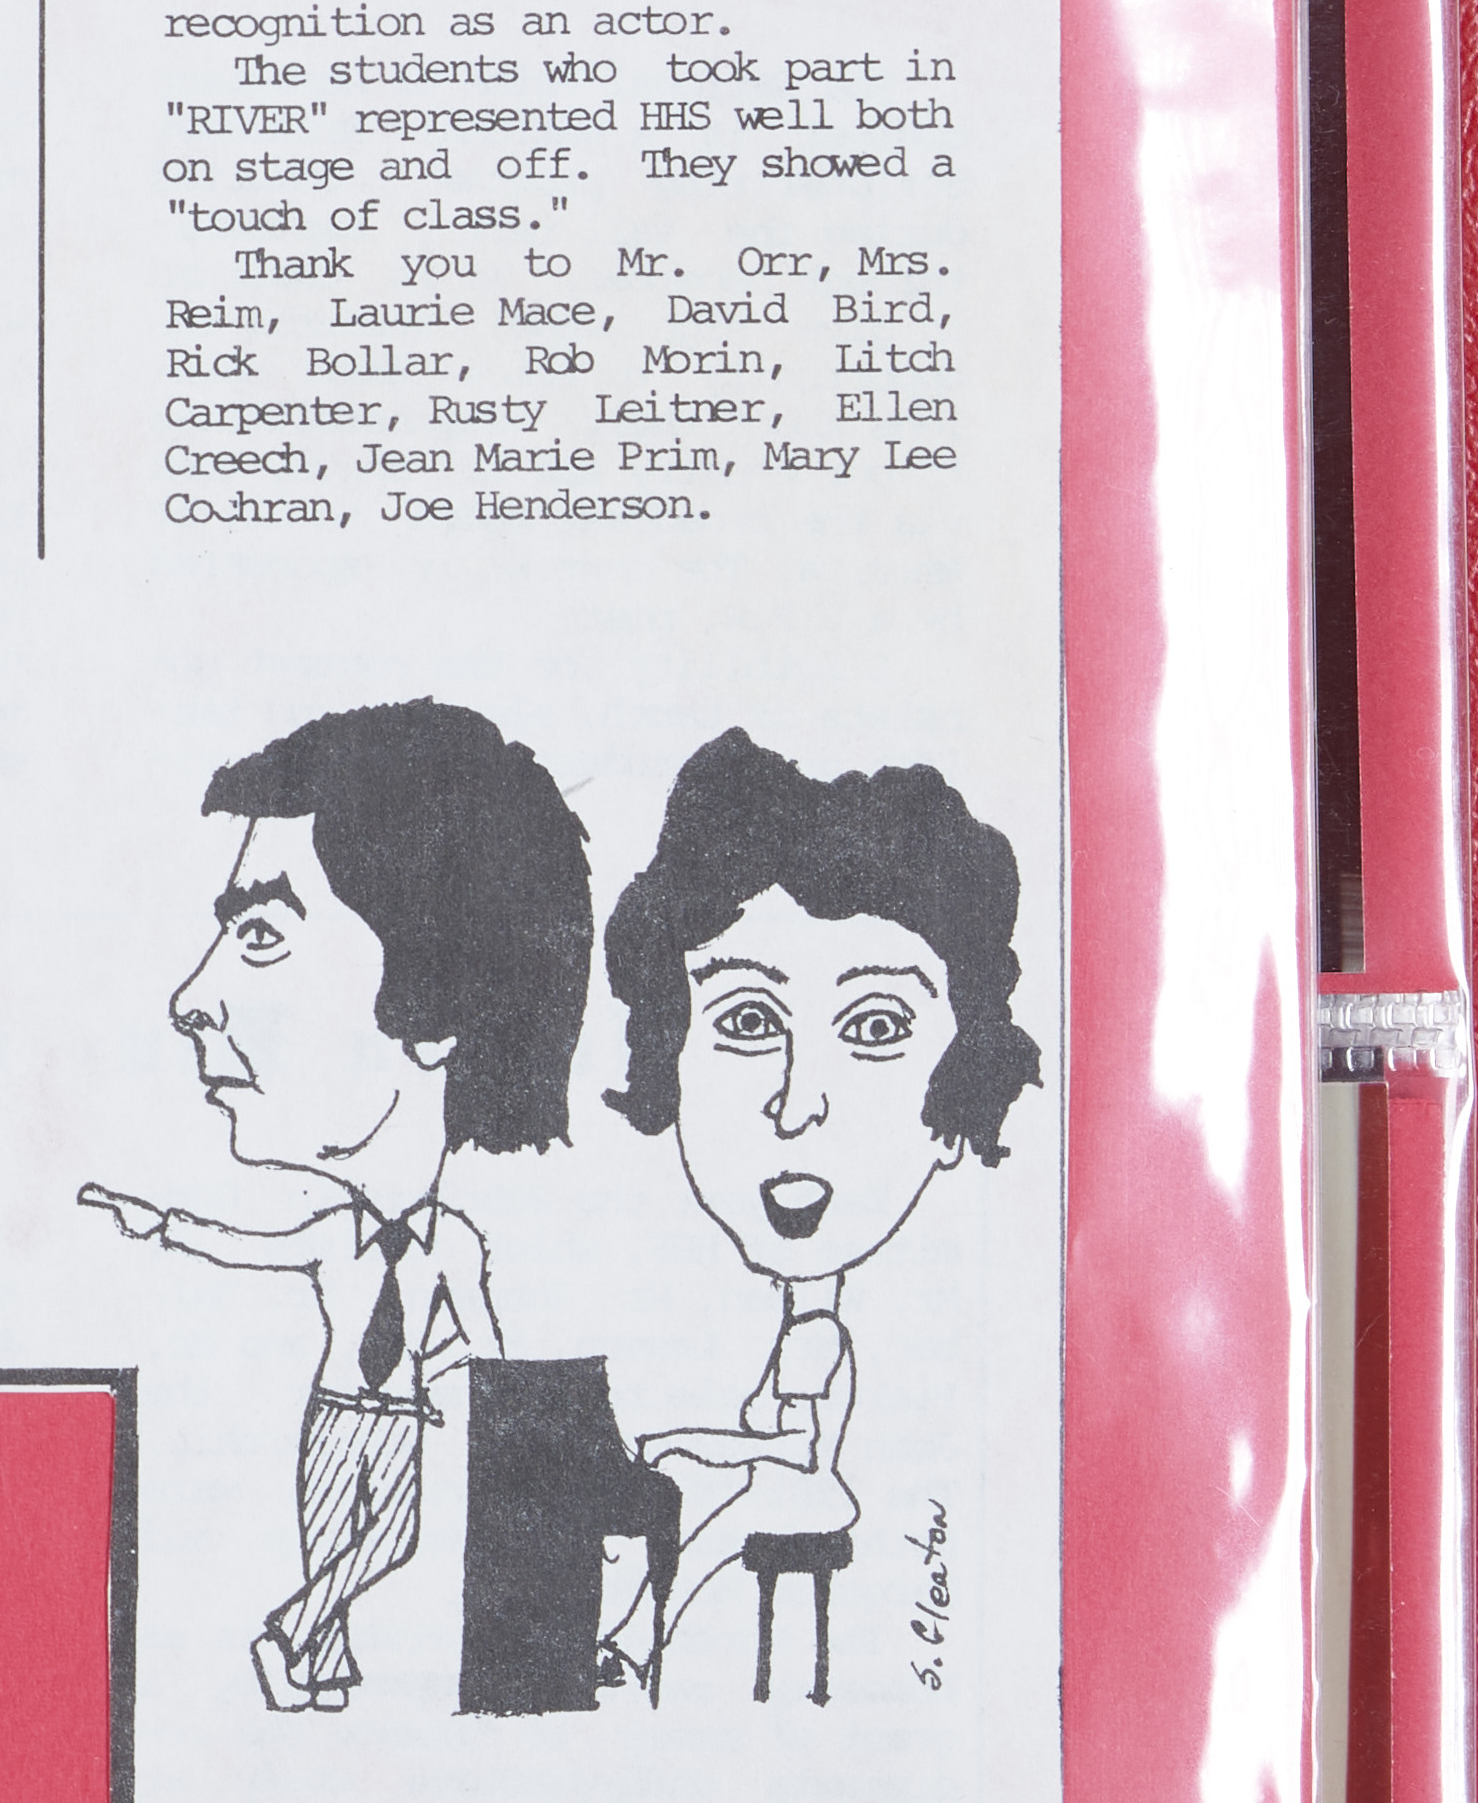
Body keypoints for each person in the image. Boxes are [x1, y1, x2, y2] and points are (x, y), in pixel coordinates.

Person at [88, 700, 592, 1712]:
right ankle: (320, 1664)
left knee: (390, 1538)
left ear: (437, 1001)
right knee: (331, 1536)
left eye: (260, 936)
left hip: (398, 1415)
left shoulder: (453, 1244)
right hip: (336, 1413)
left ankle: (293, 1632)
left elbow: (487, 1353)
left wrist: (473, 1400)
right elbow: (244, 1246)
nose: (190, 1000)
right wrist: (162, 1225)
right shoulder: (331, 1235)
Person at [600, 731, 1038, 1695]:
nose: (797, 1106)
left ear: (958, 1084)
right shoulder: (802, 1325)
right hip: (785, 1487)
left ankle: (634, 1642)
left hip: (807, 1497)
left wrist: (686, 1446)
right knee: (700, 1514)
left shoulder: (817, 1336)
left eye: (875, 1028)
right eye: (748, 1022)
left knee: (707, 1528)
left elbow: (787, 1453)